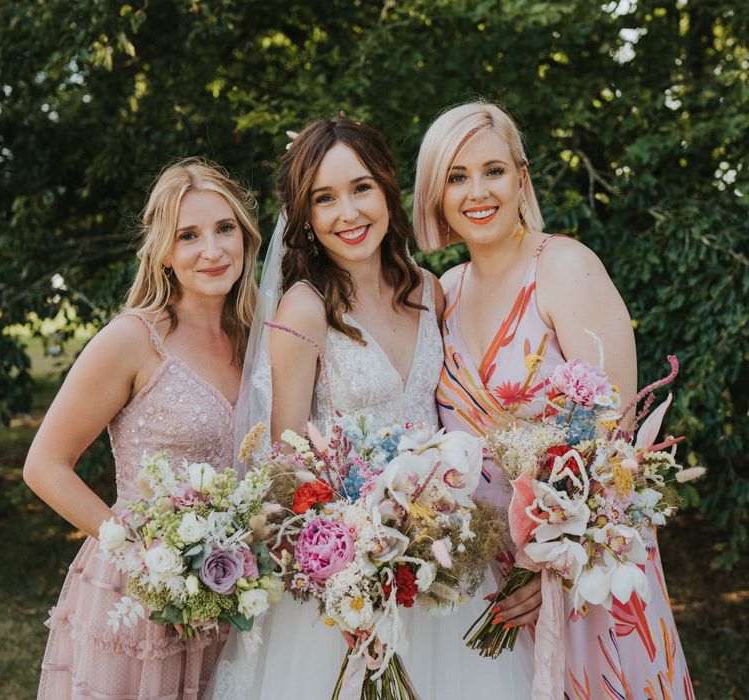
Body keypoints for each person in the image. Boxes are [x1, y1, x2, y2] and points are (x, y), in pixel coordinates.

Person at [206, 115, 535, 699]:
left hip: (444, 558)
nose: (348, 213)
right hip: (348, 577)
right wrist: (354, 553)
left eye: (360, 188)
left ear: (387, 187)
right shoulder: (305, 309)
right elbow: (285, 465)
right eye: (324, 199)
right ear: (306, 217)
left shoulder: (430, 290)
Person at [413, 101, 693, 698]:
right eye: (456, 177)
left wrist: (549, 567)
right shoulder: (444, 294)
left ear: (522, 175)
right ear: (436, 194)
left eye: (493, 170)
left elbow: (618, 449)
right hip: (490, 586)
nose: (476, 192)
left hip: (589, 574)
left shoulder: (565, 268)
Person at [23, 158, 262, 699]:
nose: (213, 249)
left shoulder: (258, 342)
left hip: (237, 589)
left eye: (225, 229)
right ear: (165, 252)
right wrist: (141, 555)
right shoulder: (132, 340)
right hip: (141, 593)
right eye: (189, 235)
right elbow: (43, 465)